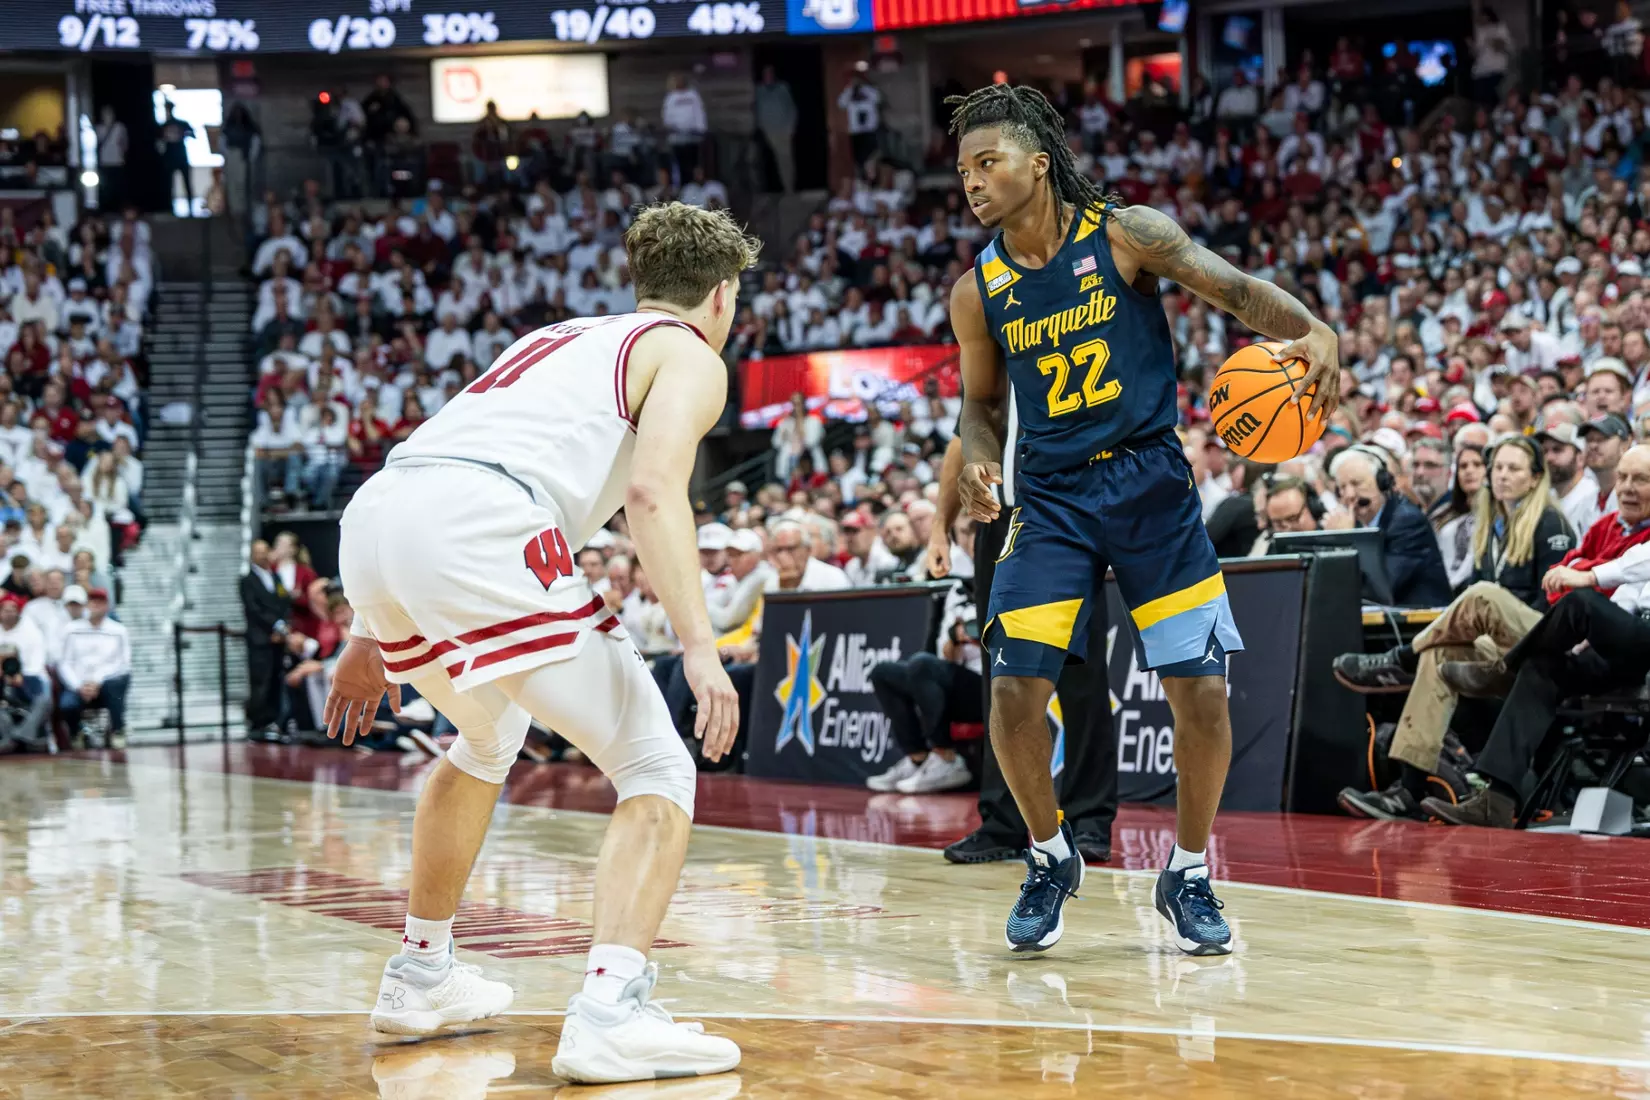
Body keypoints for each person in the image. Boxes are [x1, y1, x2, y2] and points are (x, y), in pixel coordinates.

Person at [325, 202, 755, 1083]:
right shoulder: (689, 354)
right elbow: (652, 491)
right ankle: (610, 1010)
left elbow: (444, 451)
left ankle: (420, 973)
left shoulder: (561, 334)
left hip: (379, 515)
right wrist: (701, 649)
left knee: (486, 739)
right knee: (655, 765)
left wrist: (367, 626)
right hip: (476, 523)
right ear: (721, 295)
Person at [948, 84, 1340, 955]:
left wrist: (1315, 329)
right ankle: (1050, 857)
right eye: (965, 170)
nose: (972, 183)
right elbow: (980, 405)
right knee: (1014, 690)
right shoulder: (976, 291)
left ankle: (1189, 872)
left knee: (1197, 694)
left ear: (1037, 164)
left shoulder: (1126, 234)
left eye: (989, 163)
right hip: (1049, 499)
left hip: (1151, 485)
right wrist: (979, 456)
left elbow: (1234, 290)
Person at [1333, 436, 1574, 820]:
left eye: (1514, 468)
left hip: (1546, 645)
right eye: (1498, 468)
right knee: (1439, 654)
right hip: (1505, 650)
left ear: (1535, 478)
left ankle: (1399, 659)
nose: (1503, 476)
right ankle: (1408, 790)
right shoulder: (1491, 528)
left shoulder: (1551, 523)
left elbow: (1558, 606)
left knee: (1482, 595)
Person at [1425, 453, 1650, 827]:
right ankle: (1495, 801)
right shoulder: (1621, 532)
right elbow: (1629, 595)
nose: (1625, 487)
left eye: (1639, 479)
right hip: (1629, 644)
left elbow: (1639, 563)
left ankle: (1503, 669)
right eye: (1623, 477)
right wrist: (1589, 638)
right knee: (1543, 667)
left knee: (1581, 600)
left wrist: (1590, 578)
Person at [865, 579, 981, 794]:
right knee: (884, 673)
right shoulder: (958, 590)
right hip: (957, 679)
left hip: (990, 683)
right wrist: (956, 638)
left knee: (922, 664)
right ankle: (918, 758)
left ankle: (945, 756)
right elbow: (947, 655)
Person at [1327, 445, 1451, 607]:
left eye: (1357, 483)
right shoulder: (1353, 524)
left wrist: (1345, 540)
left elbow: (1380, 590)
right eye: (1342, 488)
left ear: (1382, 482)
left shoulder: (1407, 521)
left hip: (1422, 624)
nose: (1350, 495)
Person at [56, 588, 130, 740]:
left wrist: (97, 681)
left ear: (107, 606)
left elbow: (123, 664)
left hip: (106, 682)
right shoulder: (71, 629)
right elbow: (64, 662)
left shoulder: (119, 631)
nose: (96, 606)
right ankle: (77, 733)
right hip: (79, 683)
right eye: (93, 602)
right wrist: (78, 685)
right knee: (66, 704)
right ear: (87, 605)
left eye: (100, 602)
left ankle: (118, 731)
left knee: (116, 686)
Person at [240, 540, 291, 738]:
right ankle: (257, 722)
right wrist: (275, 625)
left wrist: (283, 625)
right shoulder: (247, 580)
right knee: (261, 679)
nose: (262, 556)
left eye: (265, 551)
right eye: (258, 552)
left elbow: (284, 601)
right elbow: (254, 609)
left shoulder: (276, 577)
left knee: (277, 679)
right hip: (260, 639)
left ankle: (274, 720)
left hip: (279, 639)